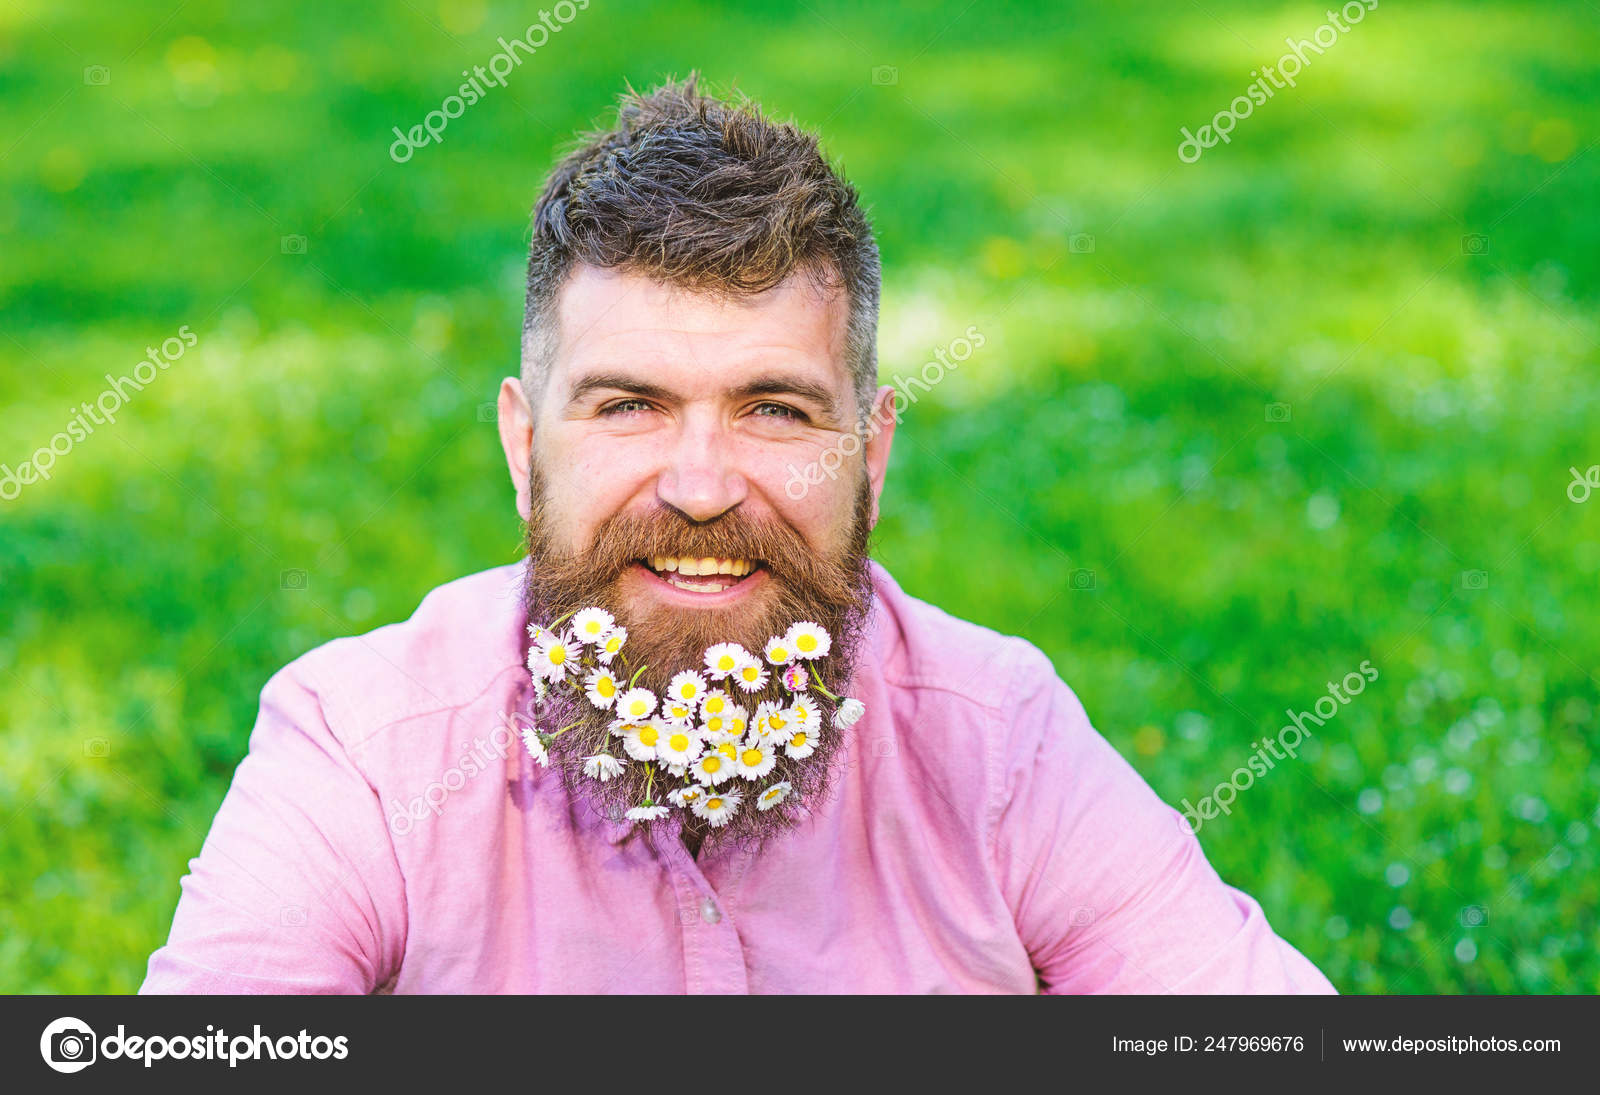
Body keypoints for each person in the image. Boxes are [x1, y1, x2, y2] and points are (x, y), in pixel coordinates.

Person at [142, 75, 1335, 994]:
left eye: (773, 409)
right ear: (523, 449)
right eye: (628, 406)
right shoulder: (366, 753)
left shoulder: (996, 745)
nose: (703, 486)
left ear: (868, 457)